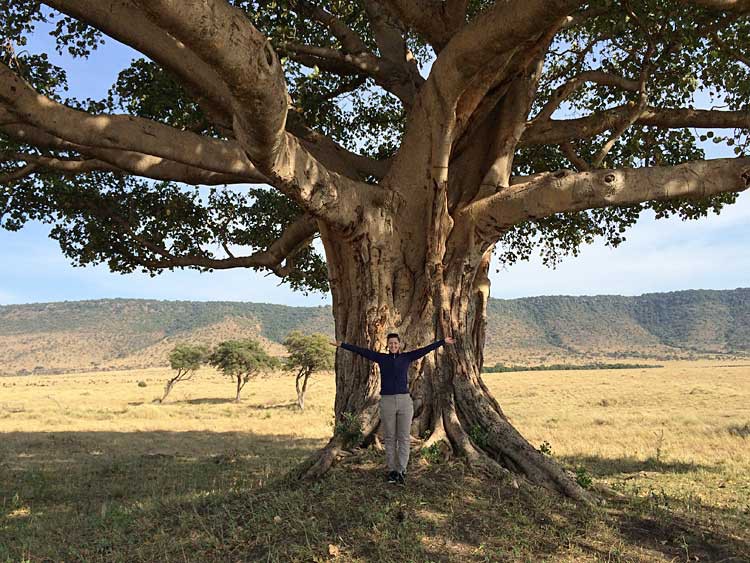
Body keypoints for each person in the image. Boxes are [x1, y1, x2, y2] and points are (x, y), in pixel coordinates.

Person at [331, 332, 455, 485]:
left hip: (404, 402)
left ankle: (401, 470)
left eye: (396, 343)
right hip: (387, 401)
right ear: (387, 345)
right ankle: (392, 471)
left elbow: (425, 349)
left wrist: (442, 341)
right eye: (391, 344)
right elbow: (362, 351)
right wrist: (342, 345)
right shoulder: (382, 358)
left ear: (400, 344)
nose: (393, 346)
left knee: (403, 438)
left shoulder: (407, 357)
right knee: (390, 438)